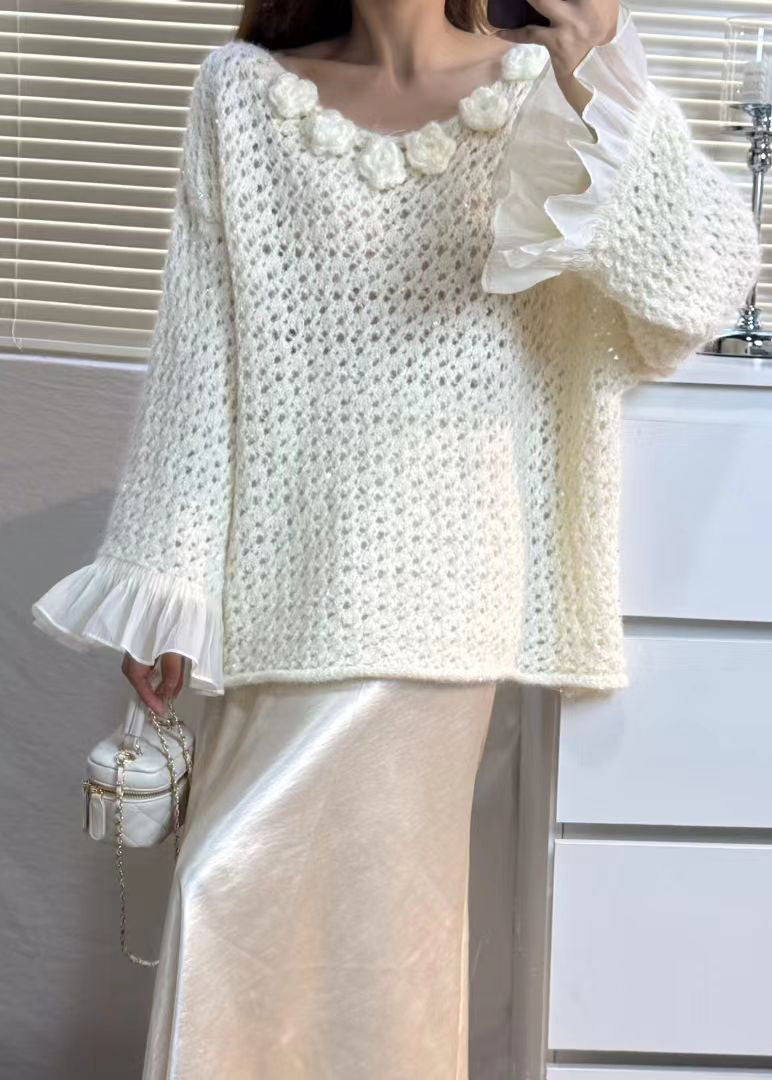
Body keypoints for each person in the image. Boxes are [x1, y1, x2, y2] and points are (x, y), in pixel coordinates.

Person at [30, 0, 760, 1076]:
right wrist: (164, 579)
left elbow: (696, 289)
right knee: (320, 933)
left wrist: (599, 65)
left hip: (442, 594)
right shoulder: (241, 94)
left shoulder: (540, 87)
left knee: (283, 905)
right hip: (272, 591)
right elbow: (202, 359)